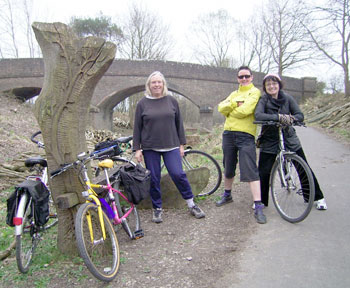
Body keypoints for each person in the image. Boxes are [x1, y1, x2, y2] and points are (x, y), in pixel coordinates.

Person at [133, 71, 206, 223]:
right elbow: (137, 128)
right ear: (149, 85)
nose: (157, 85)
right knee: (153, 178)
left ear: (163, 84)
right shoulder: (142, 103)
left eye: (159, 82)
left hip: (171, 145)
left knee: (178, 174)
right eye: (154, 82)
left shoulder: (171, 101)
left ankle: (191, 204)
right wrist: (137, 149)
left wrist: (181, 144)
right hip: (150, 147)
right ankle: (157, 208)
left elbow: (179, 124)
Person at [254, 73, 327, 210]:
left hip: (288, 137)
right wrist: (279, 117)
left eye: (274, 83)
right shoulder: (263, 100)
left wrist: (291, 118)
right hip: (269, 138)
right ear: (265, 87)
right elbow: (258, 115)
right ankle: (261, 201)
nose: (271, 86)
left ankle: (317, 197)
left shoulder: (287, 98)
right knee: (264, 171)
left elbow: (299, 115)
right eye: (268, 84)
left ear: (279, 85)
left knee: (303, 167)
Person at [216, 66, 266, 224]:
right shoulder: (234, 94)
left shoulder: (255, 92)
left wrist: (230, 108)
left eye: (246, 76)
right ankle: (227, 194)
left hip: (246, 135)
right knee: (228, 166)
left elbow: (245, 110)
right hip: (228, 134)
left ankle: (258, 205)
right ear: (237, 78)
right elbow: (220, 107)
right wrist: (233, 105)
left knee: (250, 168)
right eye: (241, 77)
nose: (243, 79)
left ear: (252, 77)